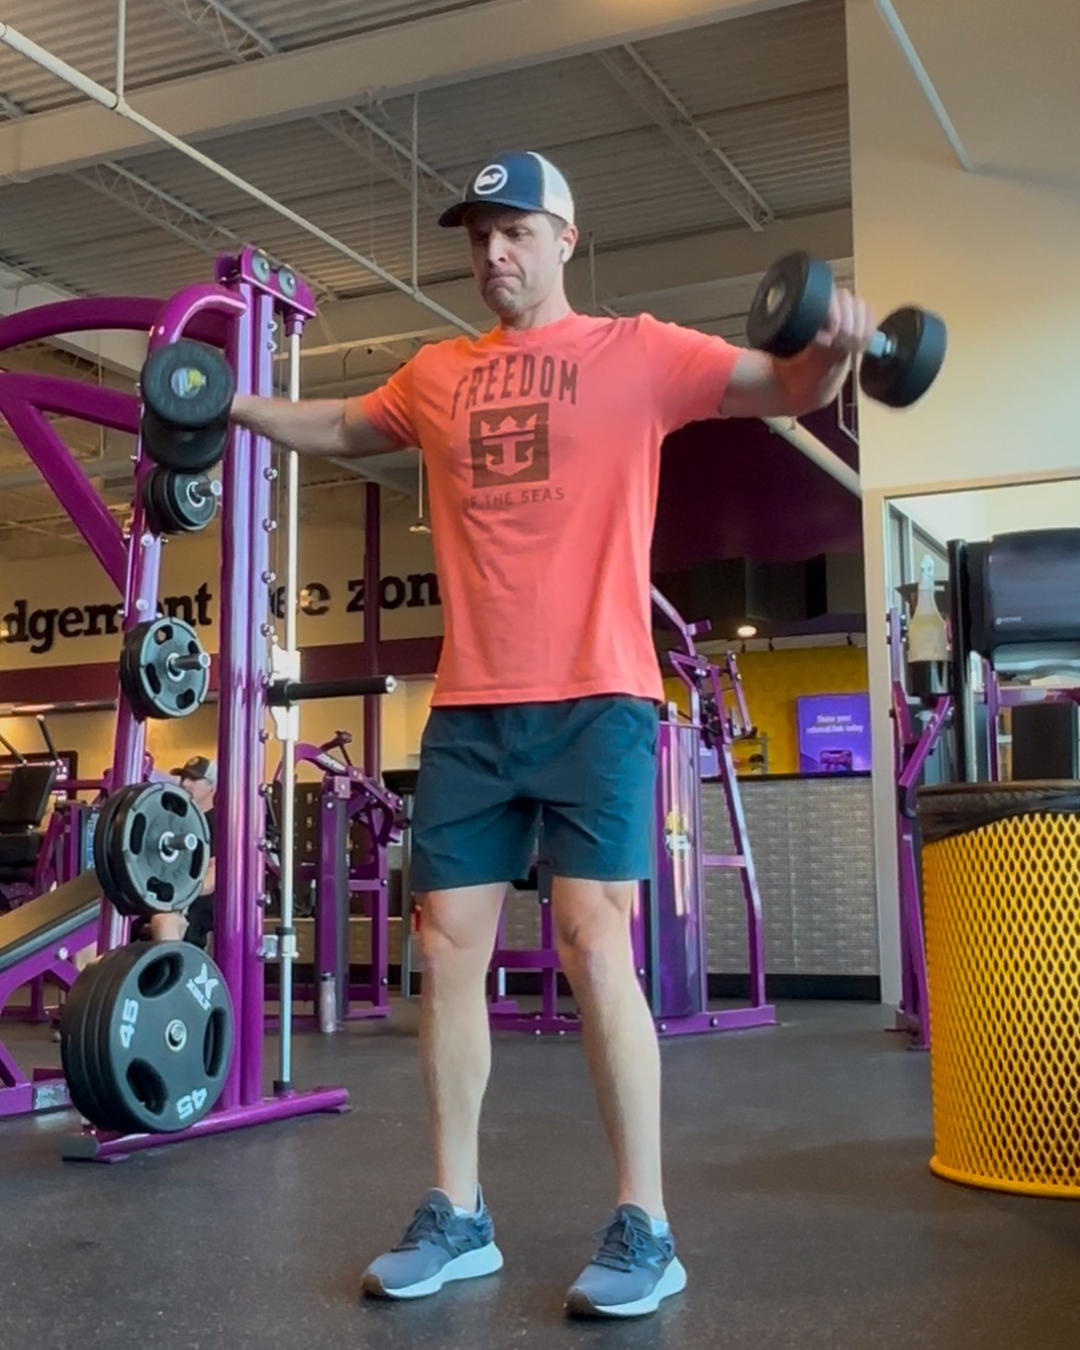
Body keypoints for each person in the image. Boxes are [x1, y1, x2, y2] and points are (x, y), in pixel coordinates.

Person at [229, 150, 877, 1318]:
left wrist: (831, 348)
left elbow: (781, 384)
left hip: (600, 695)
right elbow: (335, 423)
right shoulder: (437, 373)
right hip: (471, 704)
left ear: (566, 238)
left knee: (593, 939)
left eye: (515, 232)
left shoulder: (640, 352)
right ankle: (456, 1211)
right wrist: (222, 402)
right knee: (445, 950)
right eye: (479, 236)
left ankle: (646, 1225)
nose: (493, 254)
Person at [147, 756, 217, 948]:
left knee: (163, 921)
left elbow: (211, 879)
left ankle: (173, 966)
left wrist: (177, 899)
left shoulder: (219, 822)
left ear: (211, 786)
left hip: (196, 903)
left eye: (194, 779)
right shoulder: (175, 821)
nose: (185, 783)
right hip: (167, 896)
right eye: (183, 778)